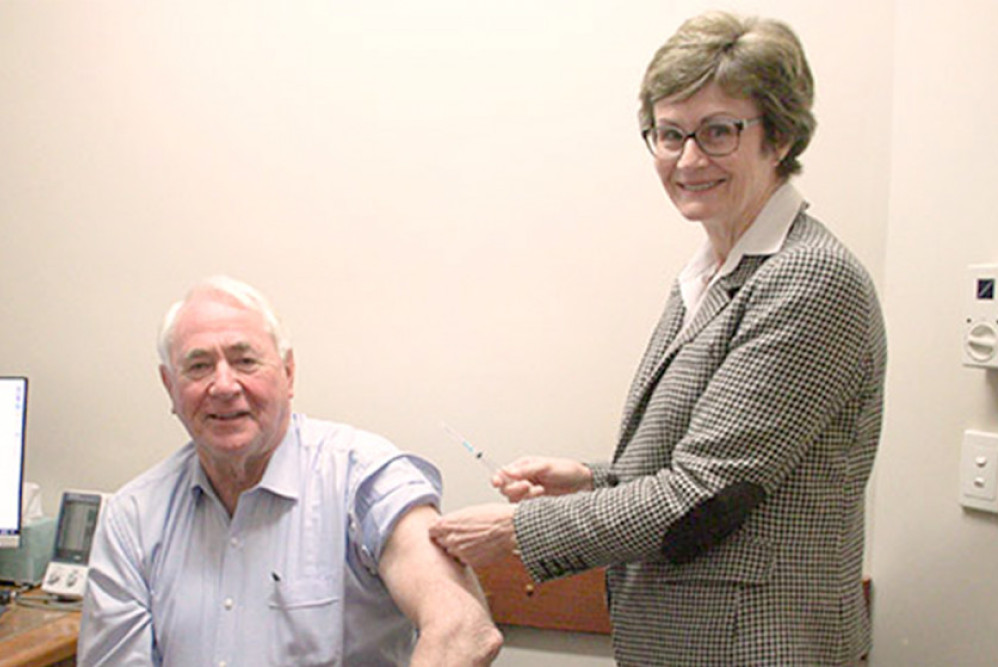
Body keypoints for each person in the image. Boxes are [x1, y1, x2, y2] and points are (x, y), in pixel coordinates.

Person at [430, 10, 885, 667]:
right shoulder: (710, 274)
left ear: (780, 135)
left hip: (756, 645)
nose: (688, 159)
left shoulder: (809, 278)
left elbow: (702, 495)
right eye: (669, 135)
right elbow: (710, 464)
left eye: (718, 132)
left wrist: (513, 530)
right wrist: (590, 477)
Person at [78, 276, 502, 666]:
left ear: (289, 373)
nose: (224, 386)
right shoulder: (133, 517)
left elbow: (463, 629)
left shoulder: (363, 480)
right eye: (199, 366)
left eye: (245, 361)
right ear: (170, 388)